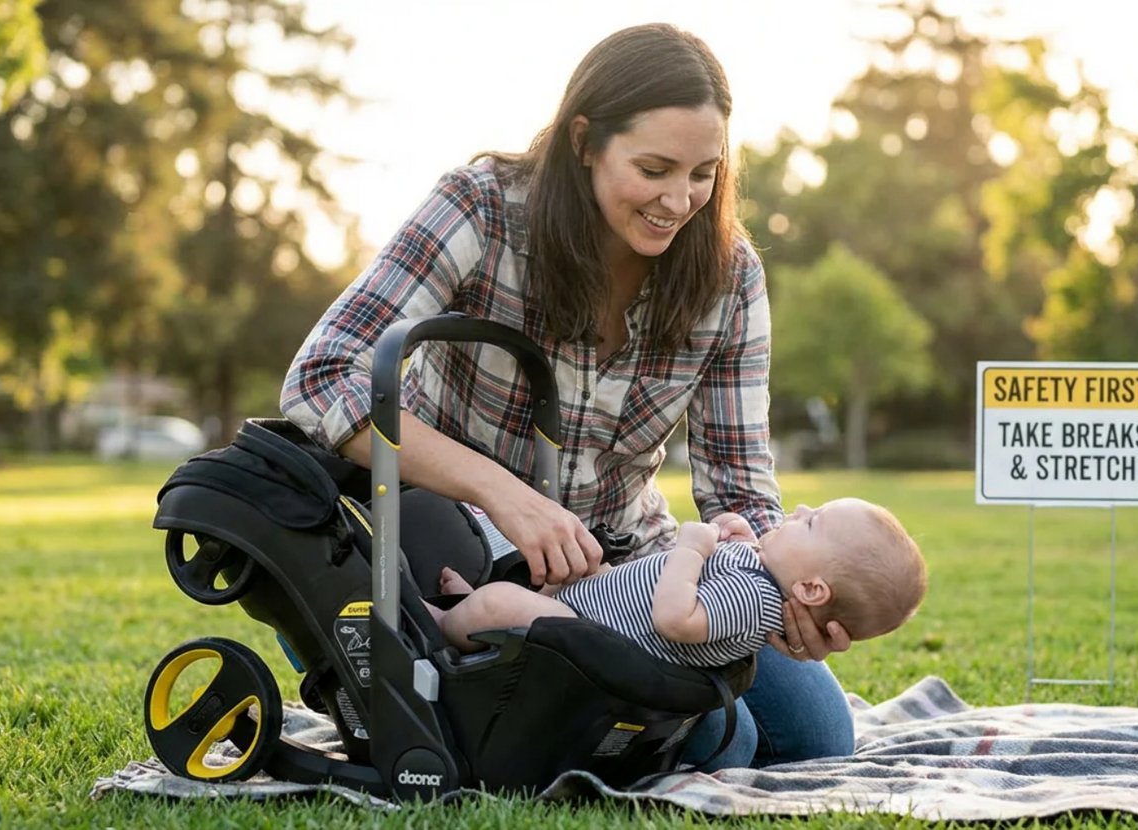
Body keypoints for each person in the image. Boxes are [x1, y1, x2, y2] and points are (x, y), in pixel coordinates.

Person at [281, 22, 857, 769]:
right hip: (461, 555)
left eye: (703, 173)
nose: (679, 199)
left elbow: (739, 485)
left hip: (632, 569)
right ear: (585, 141)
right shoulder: (482, 210)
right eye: (653, 168)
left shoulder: (729, 276)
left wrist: (779, 589)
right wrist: (506, 496)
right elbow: (322, 378)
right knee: (726, 740)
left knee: (816, 741)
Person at [428, 499, 927, 673]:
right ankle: (473, 613)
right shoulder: (764, 576)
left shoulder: (755, 600)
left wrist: (691, 549)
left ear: (812, 591)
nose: (797, 510)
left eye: (812, 522)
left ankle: (442, 623)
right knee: (558, 582)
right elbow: (722, 578)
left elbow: (674, 618)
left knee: (502, 605)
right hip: (602, 604)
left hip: (600, 639)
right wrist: (740, 537)